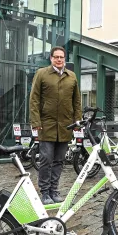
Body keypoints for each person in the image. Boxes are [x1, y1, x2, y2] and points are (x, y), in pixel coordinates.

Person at [30, 46, 81, 205]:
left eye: (62, 57)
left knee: (59, 160)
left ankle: (54, 190)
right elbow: (34, 99)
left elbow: (77, 101)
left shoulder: (71, 76)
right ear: (51, 58)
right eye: (56, 57)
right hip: (46, 124)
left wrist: (77, 120)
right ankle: (45, 192)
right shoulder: (42, 74)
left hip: (65, 125)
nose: (59, 60)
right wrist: (36, 122)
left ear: (65, 59)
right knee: (46, 159)